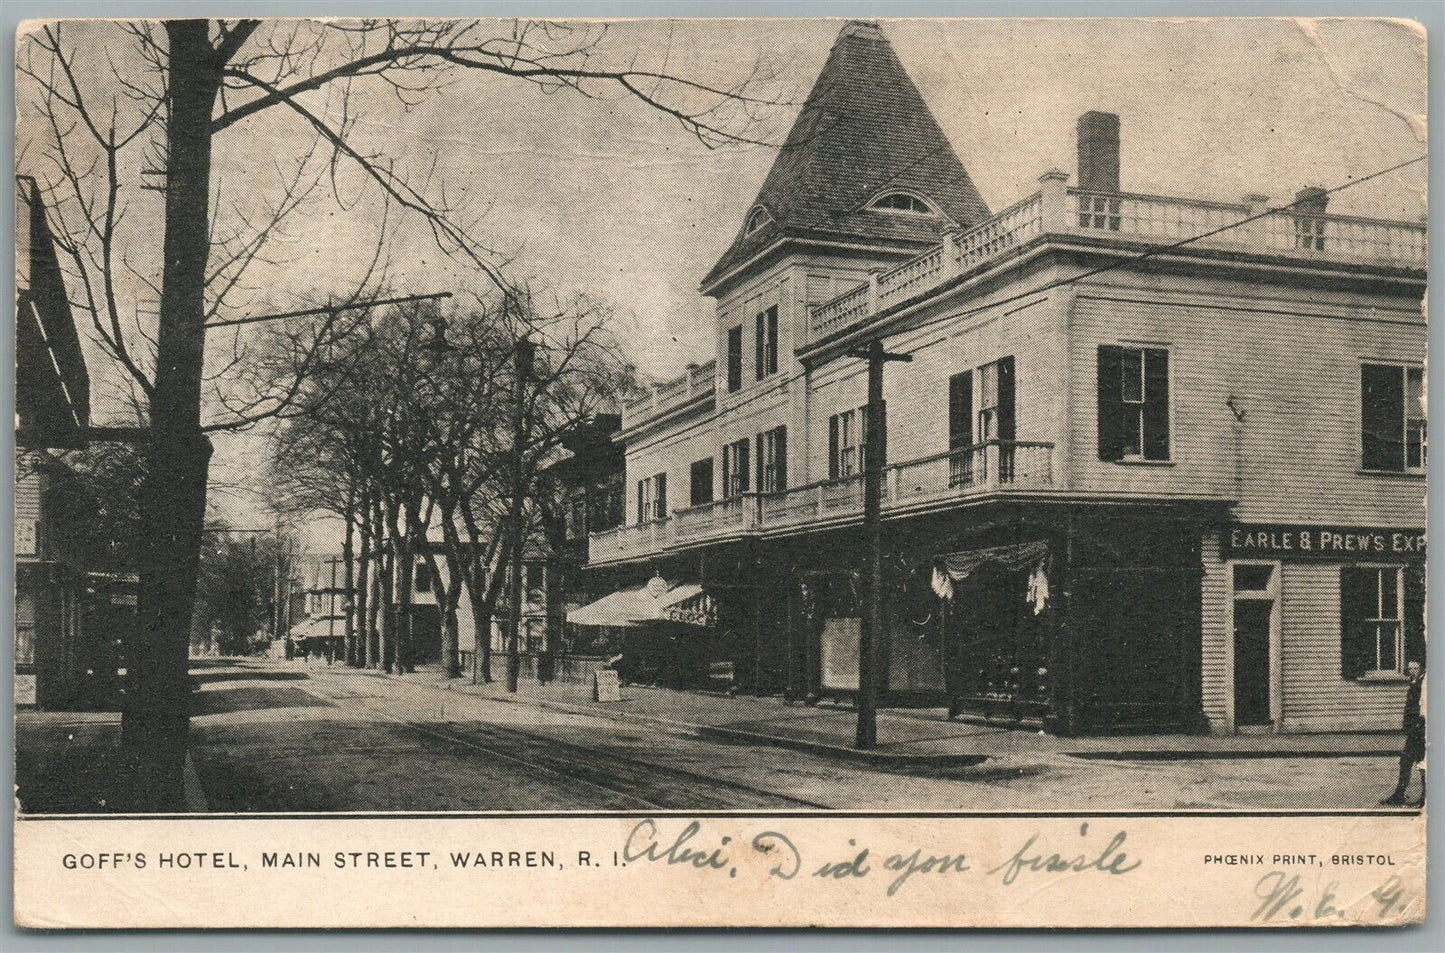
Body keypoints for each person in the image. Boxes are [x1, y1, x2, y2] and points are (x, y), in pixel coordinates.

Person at [1381, 660, 1425, 806]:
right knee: (1408, 761)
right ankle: (1399, 795)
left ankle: (1422, 797)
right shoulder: (1414, 682)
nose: (1412, 670)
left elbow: (1421, 709)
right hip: (1414, 730)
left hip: (1420, 731)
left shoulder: (1422, 685)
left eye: (1415, 668)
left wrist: (1417, 725)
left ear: (1421, 668)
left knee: (1419, 763)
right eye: (1410, 668)